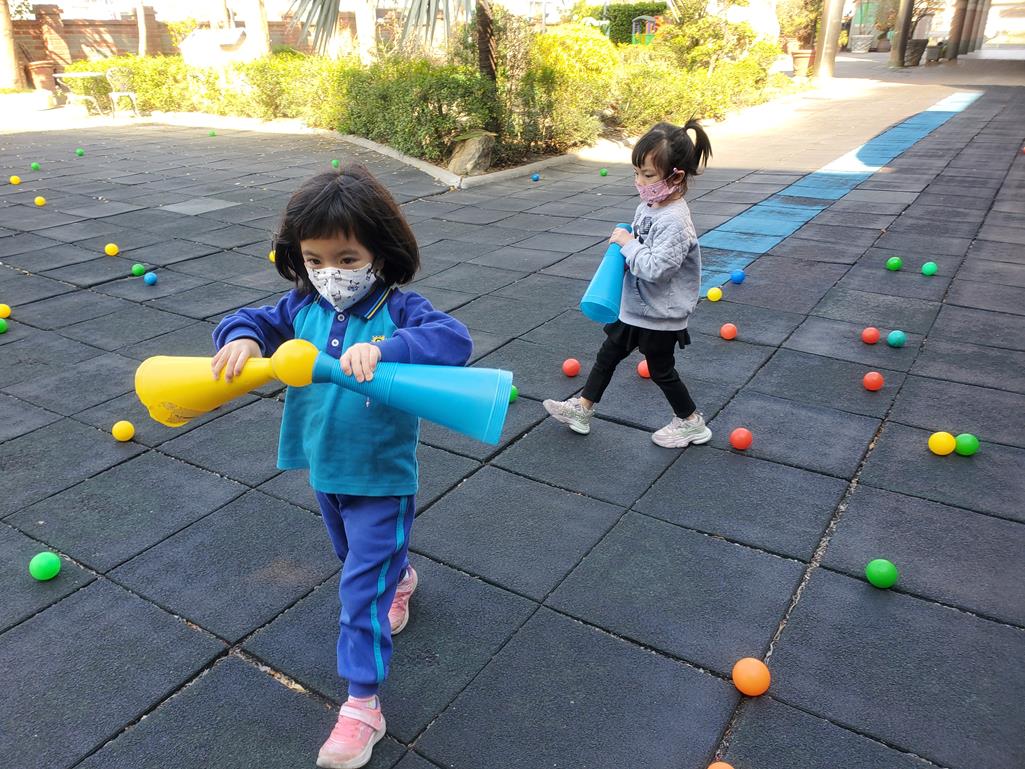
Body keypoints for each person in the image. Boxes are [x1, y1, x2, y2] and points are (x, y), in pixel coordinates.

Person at [211, 165, 472, 769]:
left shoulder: (398, 310)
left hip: (381, 480)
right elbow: (253, 319)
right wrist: (242, 338)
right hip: (324, 470)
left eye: (347, 258)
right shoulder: (303, 305)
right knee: (351, 559)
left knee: (357, 594)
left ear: (380, 251)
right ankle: (399, 577)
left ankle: (362, 706)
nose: (331, 273)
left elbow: (453, 340)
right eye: (315, 259)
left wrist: (386, 348)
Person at [543, 120, 713, 449]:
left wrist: (628, 244)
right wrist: (625, 248)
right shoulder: (649, 206)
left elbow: (657, 269)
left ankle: (691, 422)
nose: (639, 182)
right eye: (636, 173)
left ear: (676, 177)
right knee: (608, 355)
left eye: (648, 175)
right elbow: (638, 250)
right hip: (636, 306)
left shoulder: (675, 221)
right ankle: (582, 409)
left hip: (660, 314)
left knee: (661, 371)